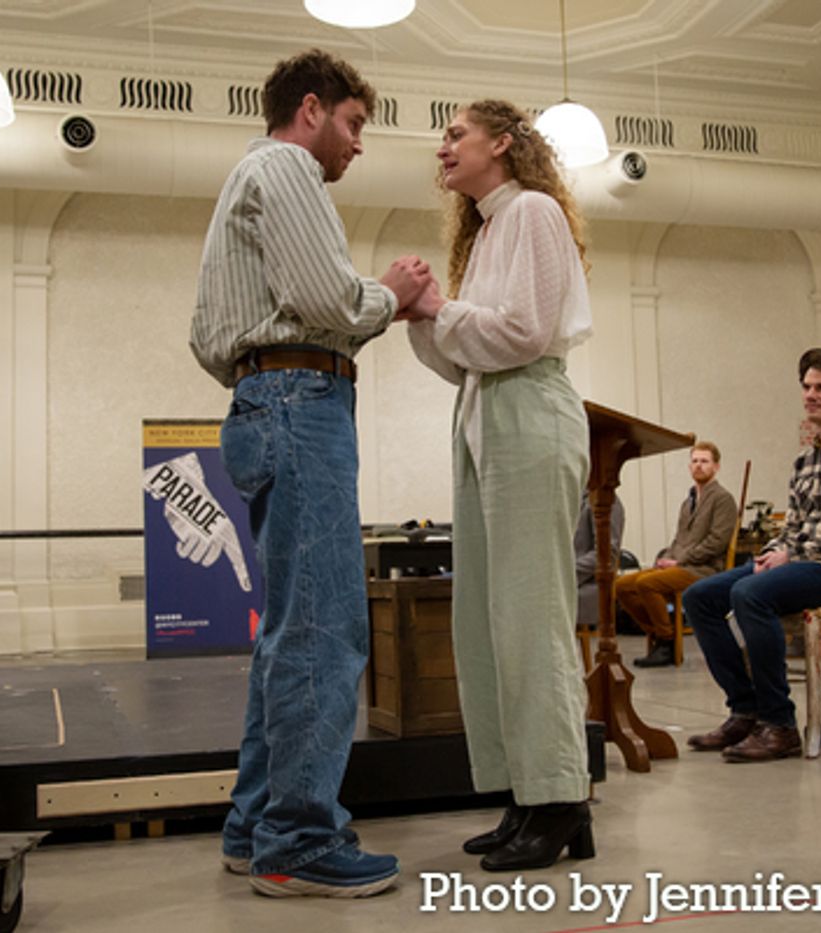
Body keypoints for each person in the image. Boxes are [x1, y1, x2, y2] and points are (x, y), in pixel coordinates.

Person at [189, 48, 432, 899]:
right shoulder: (287, 165)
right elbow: (330, 302)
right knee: (326, 628)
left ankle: (256, 822)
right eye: (355, 124)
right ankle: (297, 839)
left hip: (265, 403)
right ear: (311, 109)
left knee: (289, 628)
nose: (358, 145)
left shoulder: (245, 179)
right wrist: (392, 292)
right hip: (299, 400)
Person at [403, 99, 594, 871]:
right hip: (486, 412)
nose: (442, 147)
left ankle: (561, 798)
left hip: (529, 411)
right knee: (488, 619)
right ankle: (527, 793)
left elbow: (519, 333)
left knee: (531, 616)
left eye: (455, 133)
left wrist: (437, 307)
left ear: (503, 144)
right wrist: (423, 314)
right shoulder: (487, 229)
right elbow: (461, 357)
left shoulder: (535, 212)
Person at [681, 348, 821, 762]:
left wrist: (797, 555)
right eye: (806, 387)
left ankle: (779, 724)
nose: (810, 395)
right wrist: (773, 552)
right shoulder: (805, 459)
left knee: (751, 593)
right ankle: (745, 711)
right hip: (803, 562)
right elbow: (793, 527)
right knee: (699, 597)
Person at [616, 442, 737, 668]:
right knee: (621, 585)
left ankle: (666, 643)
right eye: (695, 461)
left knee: (646, 584)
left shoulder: (723, 499)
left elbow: (716, 543)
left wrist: (679, 561)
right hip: (679, 565)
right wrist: (664, 560)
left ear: (716, 467)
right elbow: (678, 539)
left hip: (704, 570)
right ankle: (662, 632)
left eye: (704, 461)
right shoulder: (688, 501)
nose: (698, 466)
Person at [574, 490, 624, 633]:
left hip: (588, 582)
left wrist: (565, 573)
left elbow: (606, 554)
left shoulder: (605, 500)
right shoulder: (569, 497)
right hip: (563, 579)